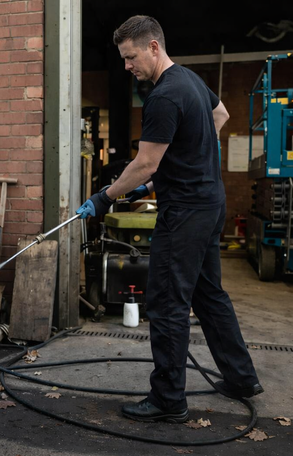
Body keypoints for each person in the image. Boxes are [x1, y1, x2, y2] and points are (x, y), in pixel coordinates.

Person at [76, 15, 263, 423]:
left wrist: (105, 197)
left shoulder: (162, 96)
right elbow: (221, 115)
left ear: (153, 47)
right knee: (209, 295)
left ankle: (168, 399)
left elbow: (144, 164)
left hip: (185, 214)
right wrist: (191, 160)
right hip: (211, 204)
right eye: (123, 59)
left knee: (166, 303)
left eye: (131, 57)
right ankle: (242, 378)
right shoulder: (192, 81)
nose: (127, 66)